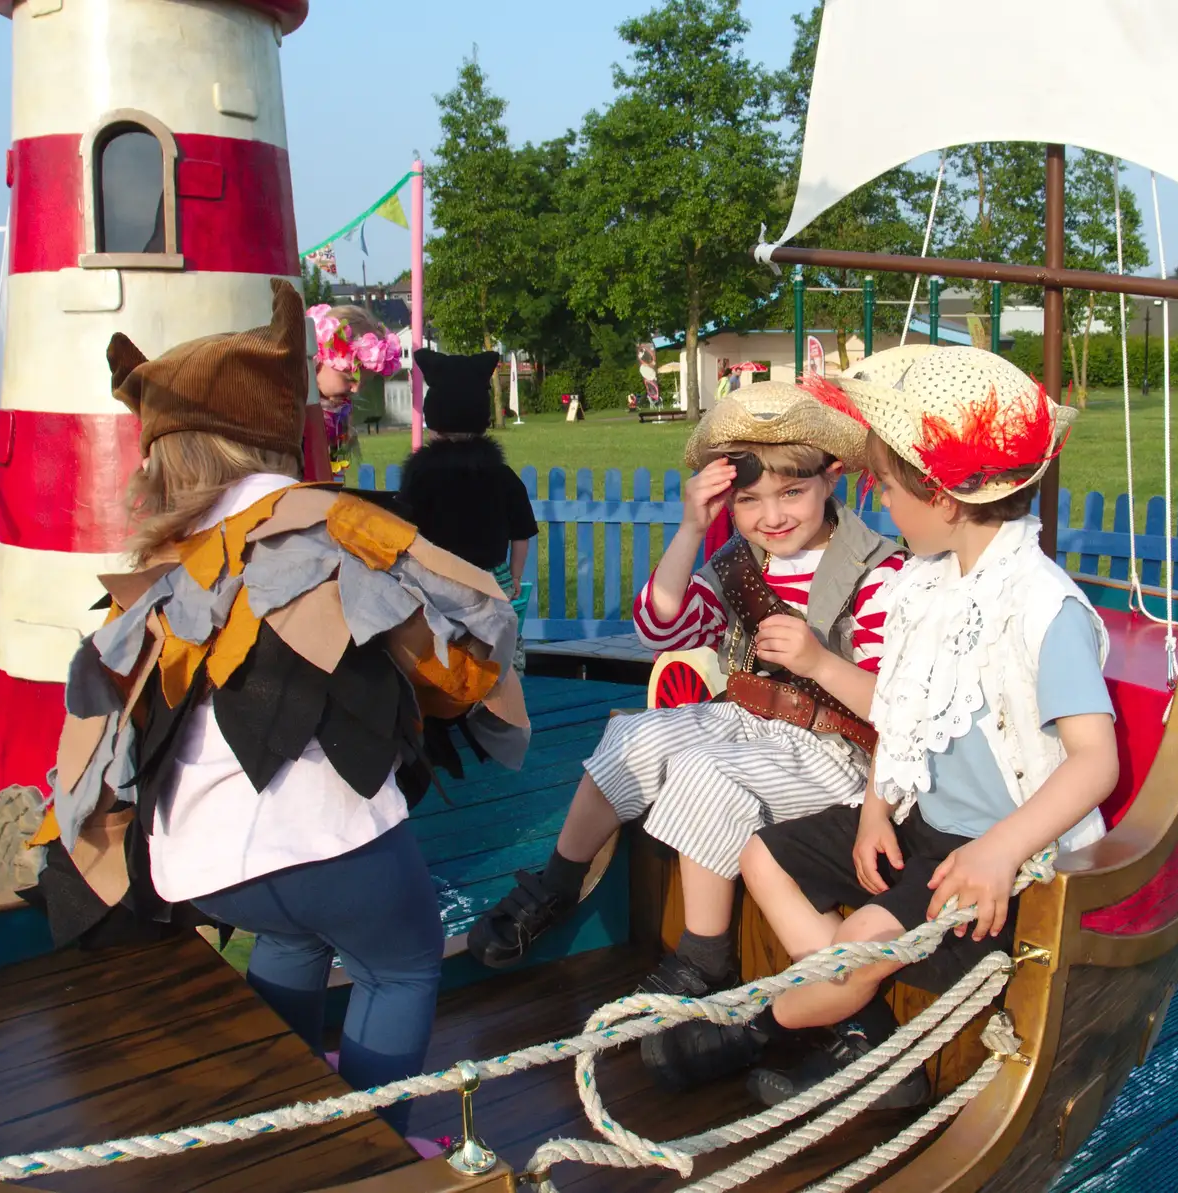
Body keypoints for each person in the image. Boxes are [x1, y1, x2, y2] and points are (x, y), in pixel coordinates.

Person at [34, 281, 529, 1142]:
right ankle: (377, 1141)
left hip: (200, 860)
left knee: (294, 938)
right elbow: (468, 618)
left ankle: (286, 1117)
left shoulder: (155, 573)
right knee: (402, 962)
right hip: (328, 837)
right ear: (270, 428)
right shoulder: (328, 521)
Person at [467, 380, 906, 1081]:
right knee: (636, 734)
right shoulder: (741, 563)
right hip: (752, 720)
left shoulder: (877, 575)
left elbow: (897, 706)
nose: (771, 516)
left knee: (705, 775)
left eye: (791, 494)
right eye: (750, 500)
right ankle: (557, 880)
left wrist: (820, 659)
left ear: (833, 479)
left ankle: (703, 953)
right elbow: (660, 623)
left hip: (835, 748)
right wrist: (692, 527)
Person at [724, 346, 1121, 1108]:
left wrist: (1000, 851)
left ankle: (757, 1025)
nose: (881, 506)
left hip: (994, 857)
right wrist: (876, 806)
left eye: (887, 488)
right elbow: (903, 711)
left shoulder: (1042, 608)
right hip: (921, 821)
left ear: (939, 496)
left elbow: (1093, 760)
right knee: (762, 852)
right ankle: (860, 1034)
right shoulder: (924, 581)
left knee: (853, 948)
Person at [394, 348, 538, 677]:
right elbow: (522, 533)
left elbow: (404, 526)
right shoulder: (501, 475)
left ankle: (441, 695)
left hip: (433, 579)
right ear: (482, 420)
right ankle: (501, 698)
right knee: (499, 647)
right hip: (491, 580)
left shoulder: (421, 475)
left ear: (433, 421)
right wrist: (514, 576)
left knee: (436, 649)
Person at [307, 303, 400, 473]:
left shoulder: (338, 412)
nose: (356, 390)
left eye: (363, 383)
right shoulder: (294, 412)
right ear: (318, 359)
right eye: (349, 378)